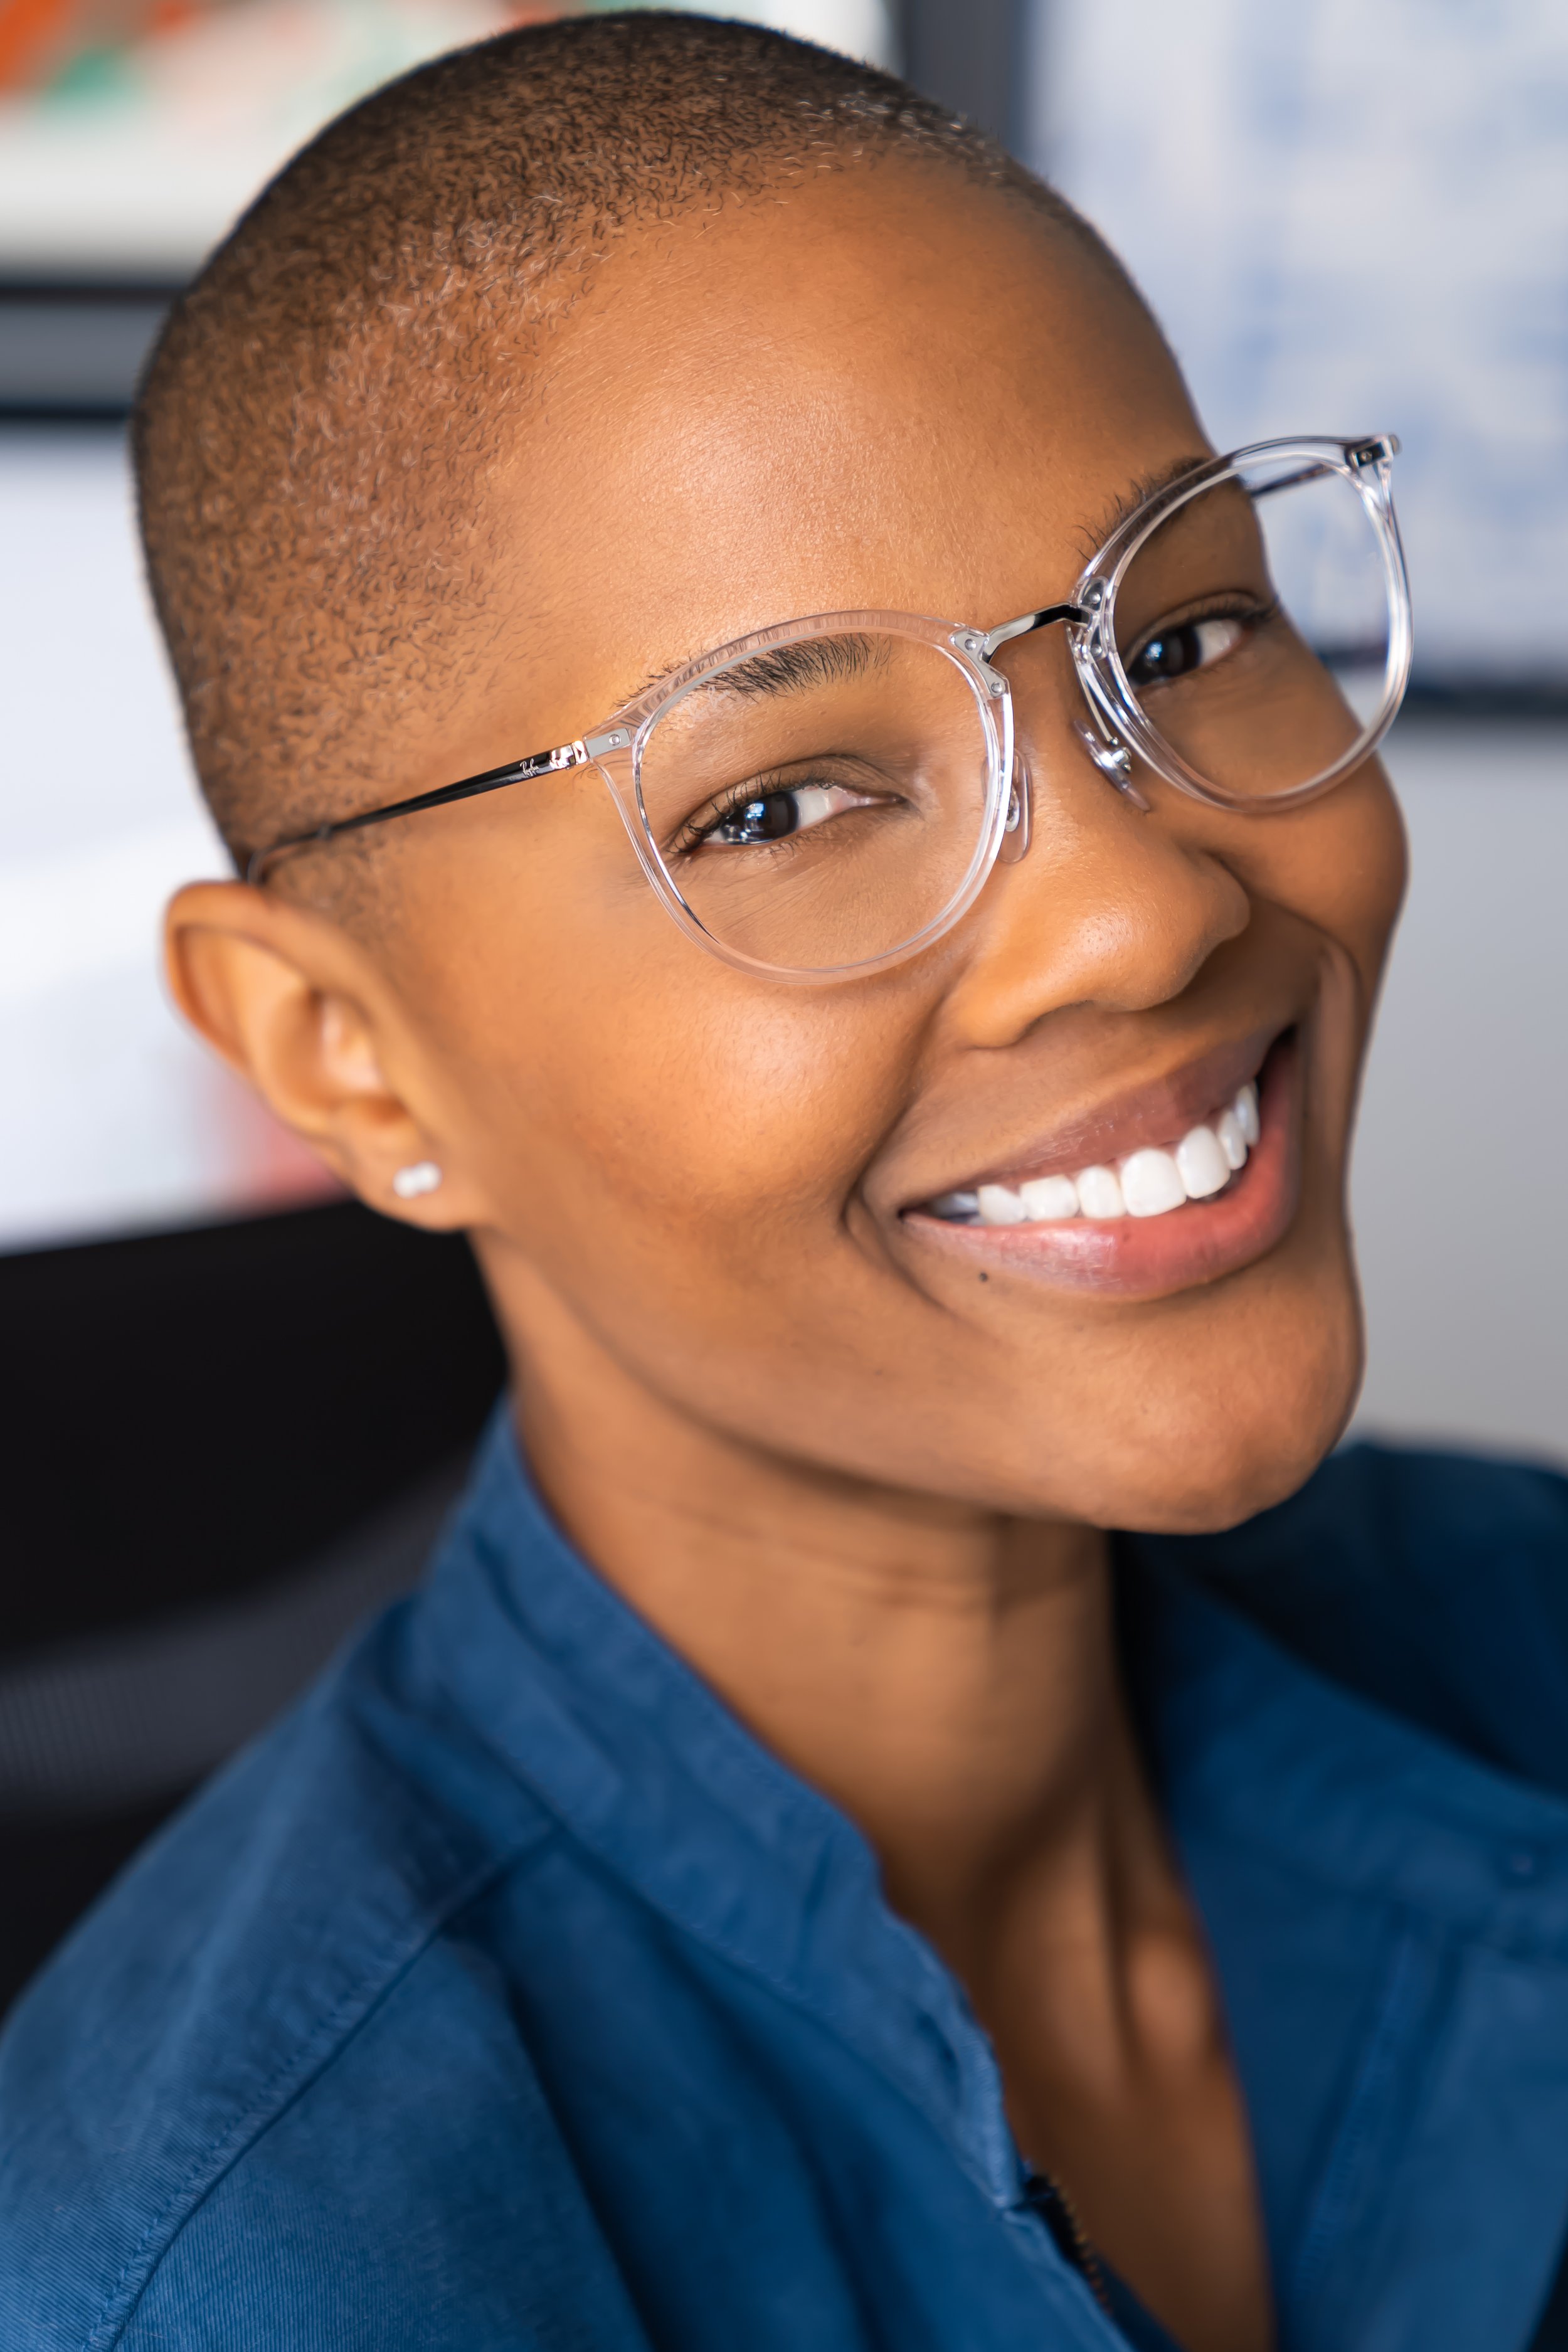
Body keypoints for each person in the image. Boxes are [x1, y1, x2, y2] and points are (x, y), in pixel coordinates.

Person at [4, 14, 1568, 2351]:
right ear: (345, 1054)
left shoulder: (1515, 1636)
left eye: (1190, 631)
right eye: (782, 801)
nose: (1145, 910)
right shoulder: (249, 2268)